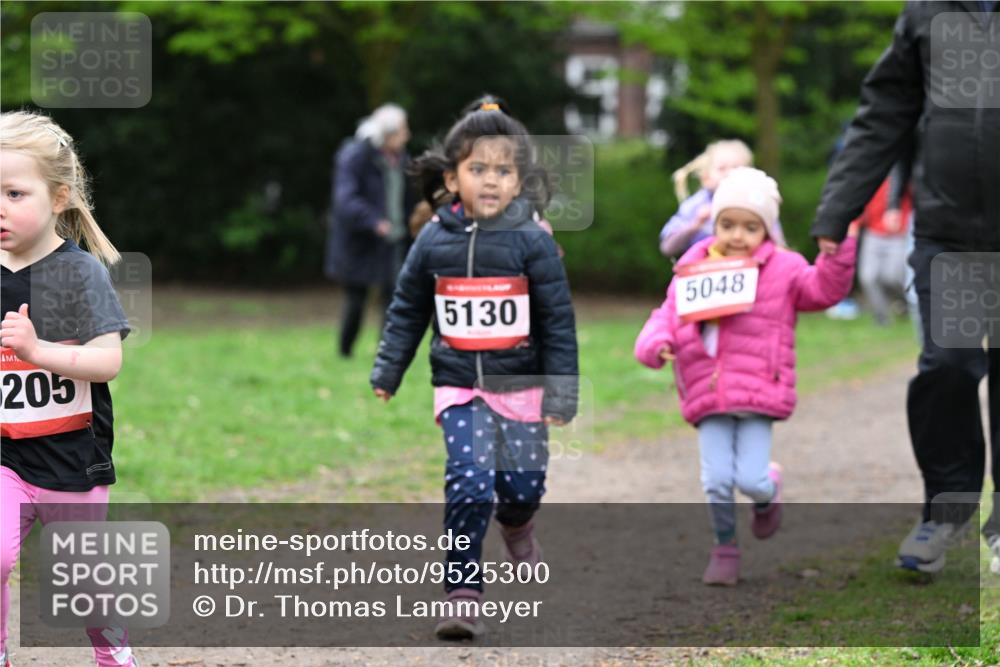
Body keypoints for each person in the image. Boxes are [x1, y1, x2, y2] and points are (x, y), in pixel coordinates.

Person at [370, 96, 578, 638]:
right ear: (452, 175)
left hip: (523, 386)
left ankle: (519, 525)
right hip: (459, 386)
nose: (490, 180)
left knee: (521, 487)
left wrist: (561, 394)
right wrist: (388, 371)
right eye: (477, 168)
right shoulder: (432, 240)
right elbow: (408, 309)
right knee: (469, 483)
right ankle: (463, 592)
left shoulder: (533, 242)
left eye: (503, 170)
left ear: (520, 180)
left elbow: (558, 322)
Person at [810, 0, 1000, 573]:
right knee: (946, 367)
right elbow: (885, 111)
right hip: (951, 234)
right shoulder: (926, 13)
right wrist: (838, 208)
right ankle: (945, 513)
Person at [635, 168, 857, 585]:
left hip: (757, 392)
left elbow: (823, 290)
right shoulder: (693, 267)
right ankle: (725, 549)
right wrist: (654, 343)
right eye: (728, 224)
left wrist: (838, 251)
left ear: (767, 228)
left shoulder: (785, 269)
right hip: (708, 392)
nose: (738, 235)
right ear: (715, 223)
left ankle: (768, 492)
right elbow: (667, 314)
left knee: (750, 480)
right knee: (717, 482)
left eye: (750, 227)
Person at [0, 112, 136, 666]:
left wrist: (36, 353)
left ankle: (113, 652)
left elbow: (108, 362)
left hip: (70, 460)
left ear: (58, 198)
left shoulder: (78, 274)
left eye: (13, 192)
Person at [324, 104, 415, 358]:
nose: (407, 135)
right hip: (359, 241)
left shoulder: (403, 160)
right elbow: (345, 200)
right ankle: (345, 351)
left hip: (394, 239)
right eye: (403, 130)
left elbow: (407, 199)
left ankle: (385, 353)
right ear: (388, 134)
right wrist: (374, 221)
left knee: (393, 297)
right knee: (356, 300)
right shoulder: (354, 155)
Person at [659, 140, 786, 259]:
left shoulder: (759, 202)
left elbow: (780, 247)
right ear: (706, 177)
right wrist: (695, 225)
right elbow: (667, 248)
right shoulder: (695, 205)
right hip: (704, 273)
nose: (729, 174)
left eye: (737, 168)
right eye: (721, 168)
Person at [855, 163, 913, 326]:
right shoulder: (866, 177)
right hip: (873, 233)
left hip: (897, 234)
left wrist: (904, 222)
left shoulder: (899, 175)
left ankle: (905, 304)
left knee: (893, 276)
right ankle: (882, 318)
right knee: (868, 277)